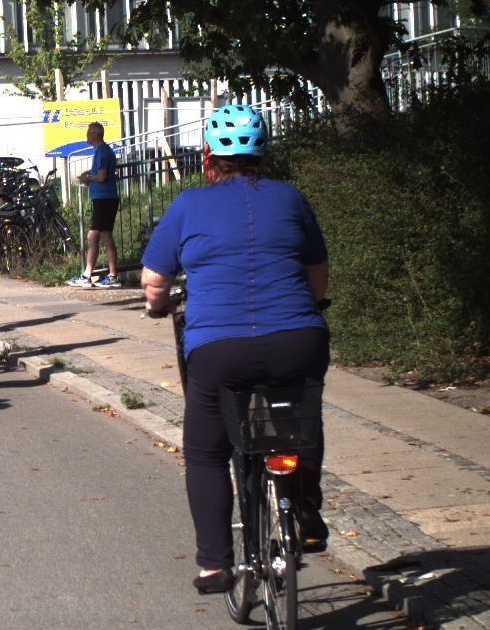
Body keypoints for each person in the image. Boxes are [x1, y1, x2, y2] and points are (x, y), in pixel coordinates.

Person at [140, 103, 331, 595]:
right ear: (263, 155)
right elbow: (317, 274)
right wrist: (308, 304)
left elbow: (155, 281)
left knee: (206, 452)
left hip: (219, 350)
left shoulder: (188, 205)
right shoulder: (290, 198)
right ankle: (306, 510)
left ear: (208, 157)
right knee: (301, 419)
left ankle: (215, 564)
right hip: (296, 340)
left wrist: (158, 307)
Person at [68, 121, 121, 288]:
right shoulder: (103, 150)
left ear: (95, 135)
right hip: (104, 198)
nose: (87, 135)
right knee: (103, 236)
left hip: (104, 198)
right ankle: (98, 274)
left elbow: (102, 176)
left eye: (89, 132)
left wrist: (88, 178)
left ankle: (93, 275)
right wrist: (90, 176)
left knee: (95, 236)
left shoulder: (101, 152)